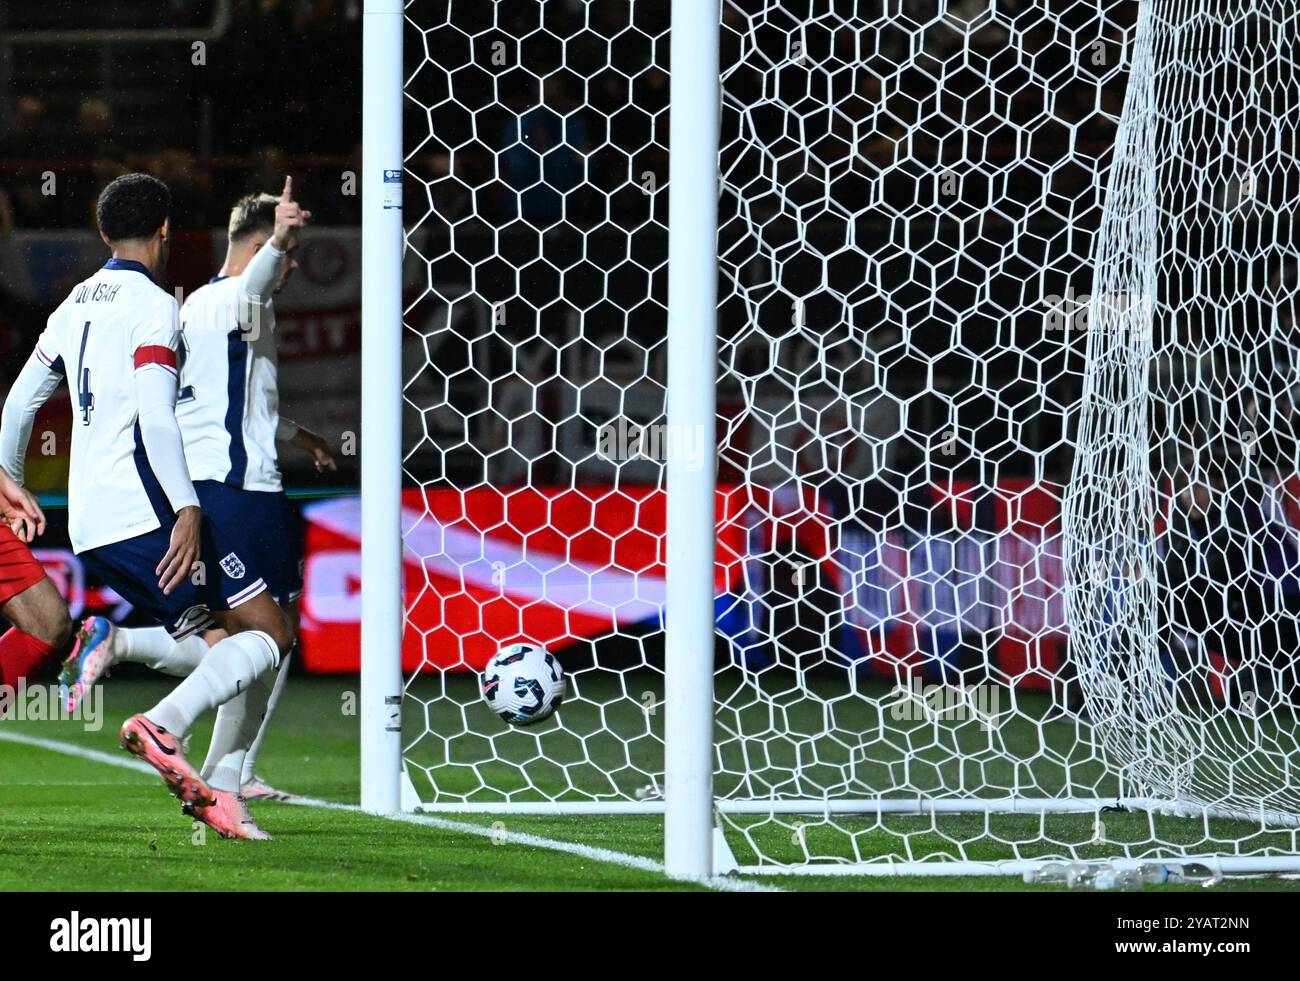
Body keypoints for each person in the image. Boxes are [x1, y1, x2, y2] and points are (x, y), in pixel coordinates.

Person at [0, 173, 293, 839]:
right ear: (165, 232)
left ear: (104, 233)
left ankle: (220, 791)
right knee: (270, 631)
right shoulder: (156, 305)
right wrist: (187, 508)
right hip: (149, 509)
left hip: (90, 523)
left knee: (223, 644)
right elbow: (157, 418)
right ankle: (164, 727)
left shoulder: (73, 303)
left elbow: (19, 404)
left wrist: (9, 485)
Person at [60, 177, 333, 805]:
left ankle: (225, 770)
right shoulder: (239, 297)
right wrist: (280, 246)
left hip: (213, 485)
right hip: (241, 491)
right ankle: (190, 743)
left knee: (250, 636)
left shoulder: (189, 309)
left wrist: (301, 436)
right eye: (288, 252)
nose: (291, 266)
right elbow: (258, 282)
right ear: (266, 245)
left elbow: (216, 401)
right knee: (266, 638)